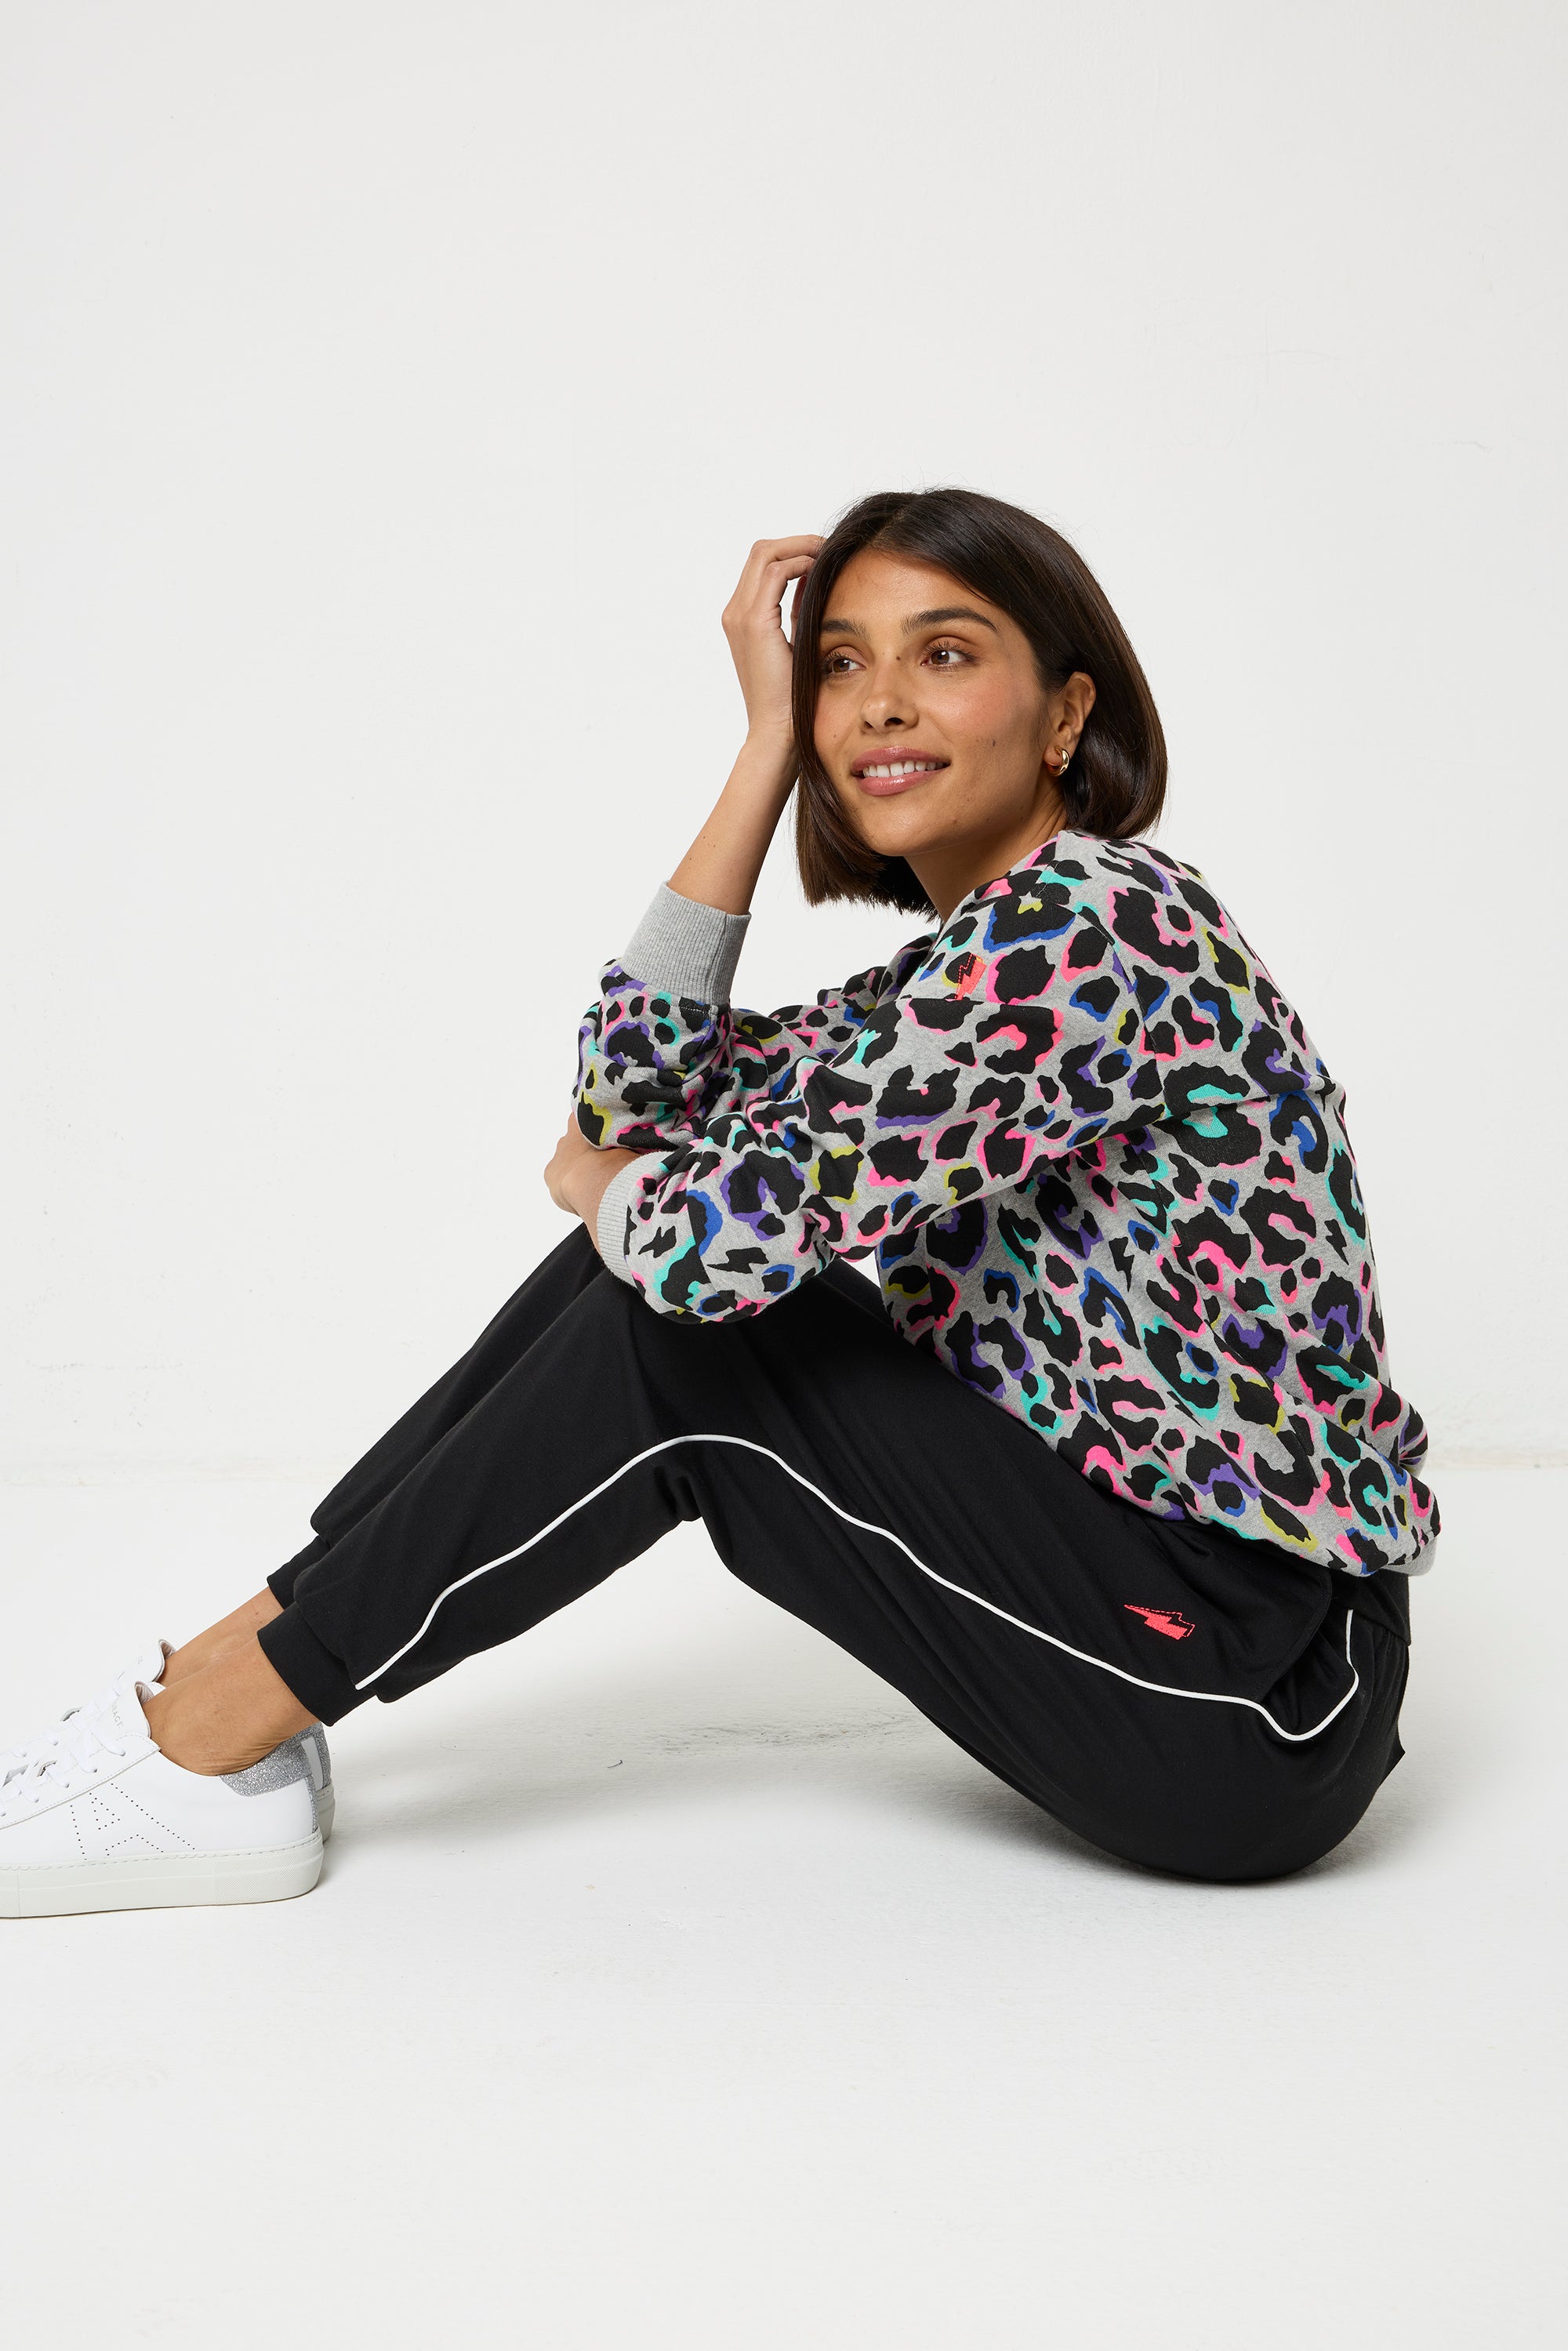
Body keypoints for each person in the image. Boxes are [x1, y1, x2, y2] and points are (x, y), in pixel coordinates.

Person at [0, 488, 1437, 1920]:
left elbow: (695, 1246)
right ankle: (225, 1689)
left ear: (1066, 716)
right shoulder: (967, 966)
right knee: (625, 1287)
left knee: (680, 1339)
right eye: (841, 666)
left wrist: (607, 1186)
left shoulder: (1094, 932)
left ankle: (214, 1733)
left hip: (1262, 1692)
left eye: (944, 654)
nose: (881, 702)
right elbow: (635, 1096)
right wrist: (762, 751)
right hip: (1171, 1610)